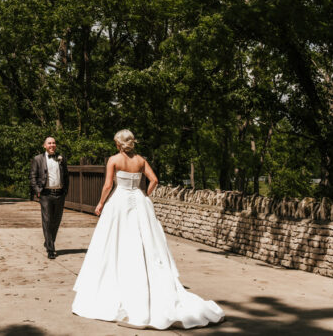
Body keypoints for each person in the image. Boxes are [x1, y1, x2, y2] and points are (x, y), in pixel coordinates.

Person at [72, 129, 225, 329]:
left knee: (115, 242)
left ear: (118, 144)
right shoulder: (141, 160)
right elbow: (154, 180)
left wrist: (101, 203)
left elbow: (108, 185)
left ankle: (119, 280)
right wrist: (144, 195)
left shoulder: (114, 160)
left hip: (120, 202)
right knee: (145, 242)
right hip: (139, 200)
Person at [29, 136, 68, 259]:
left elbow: (66, 176)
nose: (52, 145)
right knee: (47, 220)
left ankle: (48, 242)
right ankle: (51, 249)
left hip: (59, 193)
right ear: (44, 146)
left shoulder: (61, 159)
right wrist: (37, 191)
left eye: (54, 143)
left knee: (56, 221)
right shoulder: (38, 159)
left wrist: (65, 190)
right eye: (49, 143)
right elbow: (32, 176)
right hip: (45, 194)